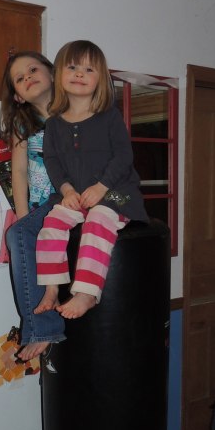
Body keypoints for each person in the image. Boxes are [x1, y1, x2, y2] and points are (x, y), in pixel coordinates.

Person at [35, 40, 148, 319]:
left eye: (89, 69)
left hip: (119, 193)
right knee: (51, 225)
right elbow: (52, 161)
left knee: (98, 218)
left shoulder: (109, 116)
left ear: (101, 79)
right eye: (72, 67)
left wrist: (102, 186)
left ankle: (86, 293)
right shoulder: (54, 124)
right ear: (60, 74)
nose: (80, 74)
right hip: (78, 196)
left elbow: (124, 155)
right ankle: (51, 288)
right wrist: (67, 190)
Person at [0, 51, 66, 361]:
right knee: (18, 234)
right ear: (18, 95)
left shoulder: (73, 114)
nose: (28, 77)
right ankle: (43, 326)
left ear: (52, 74)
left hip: (69, 199)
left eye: (33, 69)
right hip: (42, 207)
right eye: (20, 78)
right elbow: (20, 172)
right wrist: (25, 218)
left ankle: (41, 328)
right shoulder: (23, 124)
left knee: (17, 235)